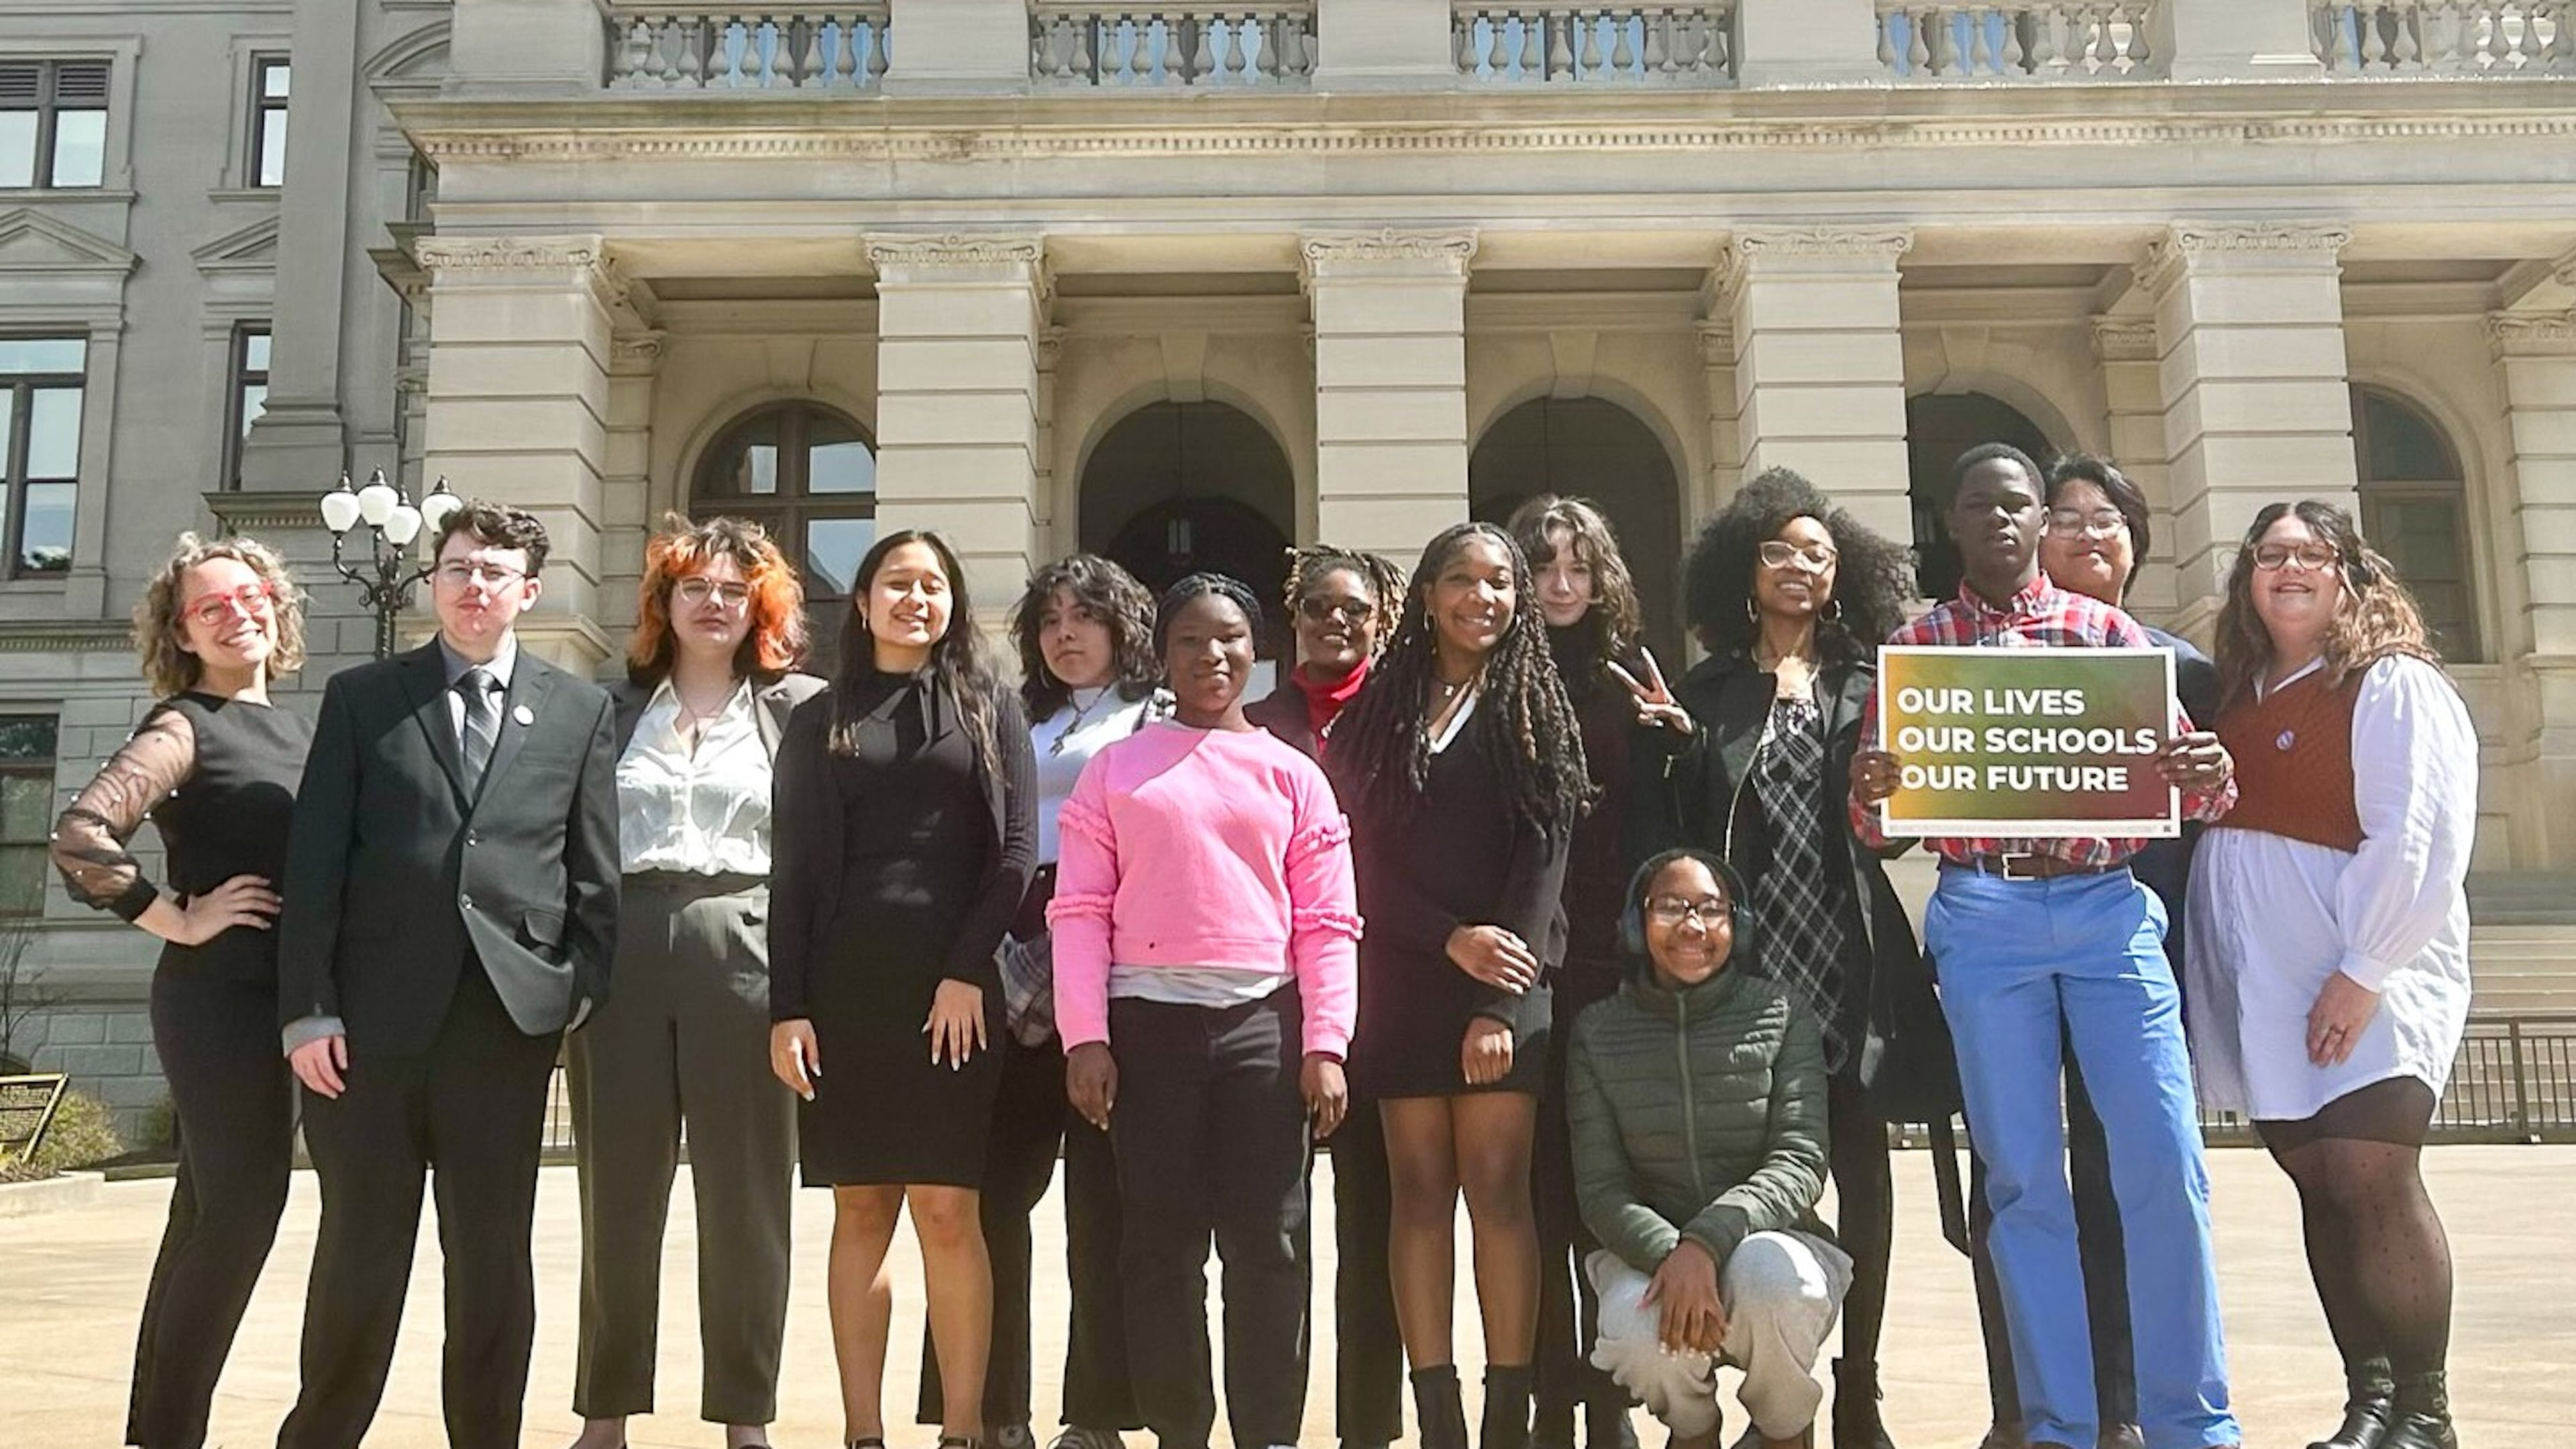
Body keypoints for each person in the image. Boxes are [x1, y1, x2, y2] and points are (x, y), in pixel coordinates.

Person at [1848, 443, 2243, 1449]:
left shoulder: (2108, 637)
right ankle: (2060, 1424)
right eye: (1979, 506)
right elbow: (1880, 828)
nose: (2000, 522)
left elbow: (2204, 796)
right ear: (1954, 523)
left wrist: (2206, 766)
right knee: (2021, 1181)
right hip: (1985, 915)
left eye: (2018, 507)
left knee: (2165, 1161)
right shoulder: (1919, 651)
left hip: (2109, 909)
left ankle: (2192, 1422)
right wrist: (1873, 792)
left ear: (2040, 524)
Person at [275, 500, 622, 1449]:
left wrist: (572, 991)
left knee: (491, 1265)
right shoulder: (363, 698)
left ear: (529, 592)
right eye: (460, 567)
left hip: (503, 1030)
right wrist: (307, 1011)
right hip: (366, 1038)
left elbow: (595, 870)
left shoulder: (580, 710)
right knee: (358, 1256)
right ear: (434, 582)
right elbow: (314, 867)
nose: (476, 586)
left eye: (495, 572)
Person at [1627, 468, 1921, 1449]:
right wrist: (1675, 753)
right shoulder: (1705, 691)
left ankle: (1863, 1388)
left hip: (1847, 963)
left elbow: (1900, 836)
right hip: (1747, 977)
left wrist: (1889, 798)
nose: (1800, 567)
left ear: (1841, 578)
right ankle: (1725, 1386)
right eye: (1780, 550)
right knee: (1737, 1185)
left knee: (1862, 1179)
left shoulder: (1873, 684)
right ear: (1744, 572)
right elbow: (1675, 839)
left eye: (1819, 554)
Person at [2186, 501, 2476, 1449]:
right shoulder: (2244, 689)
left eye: (2313, 554)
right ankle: (2372, 1403)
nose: (2290, 568)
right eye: (2271, 555)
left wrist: (2366, 970)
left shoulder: (2389, 682)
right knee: (2320, 1183)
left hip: (2358, 970)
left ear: (2350, 574)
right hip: (2267, 977)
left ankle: (2427, 1415)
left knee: (2375, 1178)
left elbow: (2420, 838)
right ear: (2248, 580)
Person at [1057, 572, 1362, 1449]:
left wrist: (1328, 1043)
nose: (1212, 655)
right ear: (1164, 653)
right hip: (1145, 1036)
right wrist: (1087, 1037)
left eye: (1230, 638)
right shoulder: (1114, 771)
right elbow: (1078, 911)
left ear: (1259, 652)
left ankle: (1267, 1431)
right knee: (1158, 1251)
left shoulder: (1293, 774)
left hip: (1263, 1033)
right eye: (1190, 639)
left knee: (1270, 1246)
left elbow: (1328, 920)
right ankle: (1179, 1429)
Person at [1972, 455, 2222, 1449]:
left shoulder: (2177, 667)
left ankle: (2142, 1407)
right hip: (2004, 942)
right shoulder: (1967, 654)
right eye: (2065, 516)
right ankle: (2033, 1408)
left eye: (2104, 518)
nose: (2084, 533)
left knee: (2145, 1177)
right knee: (2018, 1187)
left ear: (2134, 542)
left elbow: (2206, 831)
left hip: (2125, 939)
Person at [768, 528, 1037, 1449]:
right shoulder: (819, 716)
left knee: (949, 1210)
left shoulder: (990, 705)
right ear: (867, 599)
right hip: (848, 992)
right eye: (896, 582)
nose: (915, 599)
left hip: (955, 993)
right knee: (861, 1208)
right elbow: (794, 870)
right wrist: (787, 1006)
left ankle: (962, 1431)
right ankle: (862, 1432)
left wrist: (967, 970)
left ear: (954, 604)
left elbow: (1015, 857)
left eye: (933, 585)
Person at [1328, 520, 1591, 1449]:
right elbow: (1353, 859)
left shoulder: (1532, 708)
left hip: (1504, 991)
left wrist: (1496, 1000)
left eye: (1502, 583)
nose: (1484, 598)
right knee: (1417, 1190)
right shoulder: (1375, 715)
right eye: (1464, 581)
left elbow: (1543, 864)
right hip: (1403, 979)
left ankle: (1506, 1416)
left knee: (1499, 1192)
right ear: (1429, 595)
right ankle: (1436, 1412)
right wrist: (1446, 941)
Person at [566, 516, 823, 1449]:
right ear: (663, 605)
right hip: (623, 955)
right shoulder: (608, 713)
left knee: (749, 1199)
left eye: (732, 589)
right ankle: (604, 1412)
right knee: (616, 1195)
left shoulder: (801, 710)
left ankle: (745, 1415)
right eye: (694, 588)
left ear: (760, 606)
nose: (713, 603)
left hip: (746, 950)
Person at [52, 534, 310, 1449]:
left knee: (202, 1220)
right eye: (212, 606)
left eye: (250, 596)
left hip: (280, 1000)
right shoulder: (182, 726)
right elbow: (82, 836)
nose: (238, 612)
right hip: (216, 1000)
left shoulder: (296, 727)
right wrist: (179, 918)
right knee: (244, 1213)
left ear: (276, 606)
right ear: (183, 633)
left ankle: (155, 1434)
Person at [922, 553, 1156, 1449]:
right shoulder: (1009, 714)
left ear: (1121, 626)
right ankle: (989, 1411)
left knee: (1104, 1211)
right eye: (1051, 618)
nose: (1065, 633)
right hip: (1006, 962)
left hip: (1112, 969)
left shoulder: (1157, 714)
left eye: (1084, 616)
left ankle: (1096, 1416)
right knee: (987, 1203)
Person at [1570, 848, 1852, 1449]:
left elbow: (1800, 1160)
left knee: (1774, 1283)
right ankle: (1693, 1432)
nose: (1693, 927)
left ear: (1738, 925)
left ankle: (1783, 1431)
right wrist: (1676, 1255)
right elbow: (1601, 1190)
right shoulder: (1596, 1032)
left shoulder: (1781, 1013)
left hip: (1773, 1242)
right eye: (1671, 908)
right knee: (1632, 1331)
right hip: (1648, 1254)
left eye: (1711, 910)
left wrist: (1706, 1243)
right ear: (1635, 924)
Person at [1245, 543, 1412, 1449]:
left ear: (1381, 623)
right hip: (1273, 1005)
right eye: (1319, 608)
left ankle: (1368, 1430)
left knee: (1375, 1228)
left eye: (1354, 610)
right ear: (1294, 619)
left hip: (1387, 1000)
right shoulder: (1253, 722)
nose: (1336, 622)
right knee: (1279, 1231)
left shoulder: (1405, 718)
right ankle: (1274, 1425)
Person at [1505, 495, 1650, 1449]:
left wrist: (1672, 744)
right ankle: (1553, 1391)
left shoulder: (1629, 678)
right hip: (1528, 965)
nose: (1561, 583)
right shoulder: (1496, 678)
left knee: (1608, 1186)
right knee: (1540, 1188)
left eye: (1578, 567)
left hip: (1616, 965)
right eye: (1544, 565)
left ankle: (1608, 1395)